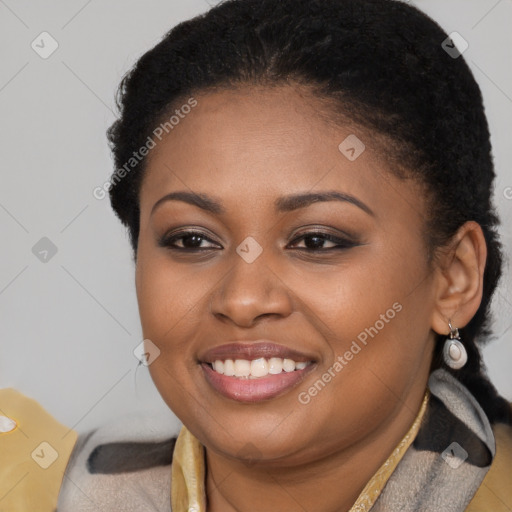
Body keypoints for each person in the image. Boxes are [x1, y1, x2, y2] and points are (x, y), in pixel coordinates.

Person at [1, 0, 511, 510]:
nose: (243, 300)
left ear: (454, 277)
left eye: (316, 241)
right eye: (192, 240)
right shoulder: (27, 488)